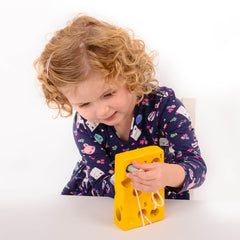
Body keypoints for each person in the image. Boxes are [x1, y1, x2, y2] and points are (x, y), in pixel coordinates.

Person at [34, 15, 207, 200]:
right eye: (84, 104)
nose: (101, 111)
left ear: (130, 74)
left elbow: (196, 168)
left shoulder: (164, 107)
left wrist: (168, 174)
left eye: (108, 94)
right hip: (100, 200)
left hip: (158, 203)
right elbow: (99, 180)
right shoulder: (85, 123)